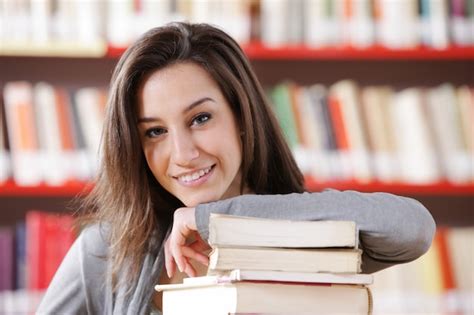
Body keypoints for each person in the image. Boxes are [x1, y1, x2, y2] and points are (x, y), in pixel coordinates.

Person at [37, 22, 436, 315]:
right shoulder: (108, 251)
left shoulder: (305, 233)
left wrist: (212, 219)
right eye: (155, 131)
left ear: (242, 117)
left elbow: (411, 228)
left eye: (200, 119)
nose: (183, 154)